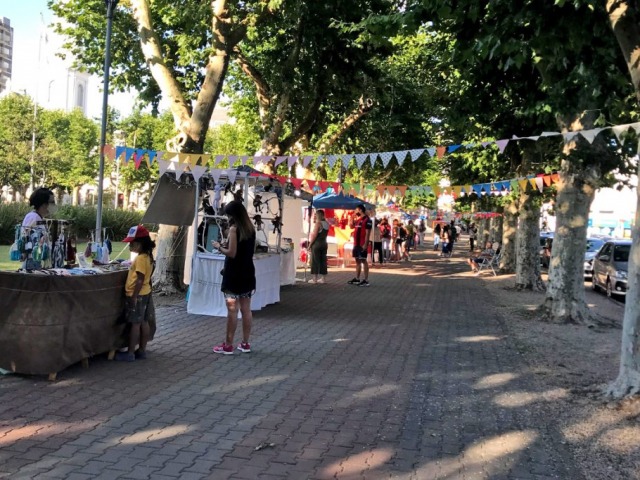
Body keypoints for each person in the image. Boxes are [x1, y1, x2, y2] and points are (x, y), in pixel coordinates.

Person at [211, 201, 256, 354]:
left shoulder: (233, 229)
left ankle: (228, 345)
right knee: (246, 309)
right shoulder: (250, 229)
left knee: (232, 310)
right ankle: (245, 342)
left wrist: (219, 247)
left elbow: (232, 253)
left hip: (233, 273)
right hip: (248, 272)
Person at [116, 225, 155, 362]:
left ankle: (130, 353)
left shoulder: (139, 259)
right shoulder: (148, 257)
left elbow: (140, 279)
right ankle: (142, 350)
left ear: (141, 244)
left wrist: (133, 296)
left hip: (137, 294)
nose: (130, 246)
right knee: (144, 322)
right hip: (146, 293)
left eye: (132, 243)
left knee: (135, 324)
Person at [21, 187, 56, 270]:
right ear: (44, 204)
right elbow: (25, 237)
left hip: (37, 261)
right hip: (33, 262)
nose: (54, 205)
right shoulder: (33, 217)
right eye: (52, 202)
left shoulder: (38, 218)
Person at [347, 204, 372, 287]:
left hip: (362, 244)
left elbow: (368, 233)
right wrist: (352, 217)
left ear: (360, 210)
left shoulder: (367, 220)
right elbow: (351, 226)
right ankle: (357, 279)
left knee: (363, 261)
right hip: (356, 244)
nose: (355, 211)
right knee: (357, 261)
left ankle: (366, 280)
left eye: (356, 210)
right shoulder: (358, 219)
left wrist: (366, 244)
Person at [308, 209, 330, 283]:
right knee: (323, 261)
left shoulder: (318, 224)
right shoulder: (327, 223)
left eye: (315, 215)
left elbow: (314, 235)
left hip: (317, 244)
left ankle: (315, 279)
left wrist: (310, 245)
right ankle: (323, 278)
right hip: (324, 243)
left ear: (318, 215)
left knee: (315, 260)